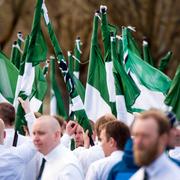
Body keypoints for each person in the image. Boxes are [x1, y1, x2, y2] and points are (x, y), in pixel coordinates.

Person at [130, 109, 180, 180]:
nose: (138, 142)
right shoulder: (137, 177)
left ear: (163, 138)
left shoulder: (176, 176)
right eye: (136, 135)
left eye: (145, 136)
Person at [32, 115, 84, 180]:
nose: (35, 138)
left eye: (41, 133)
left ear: (56, 135)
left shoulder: (67, 167)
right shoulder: (47, 159)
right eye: (34, 133)